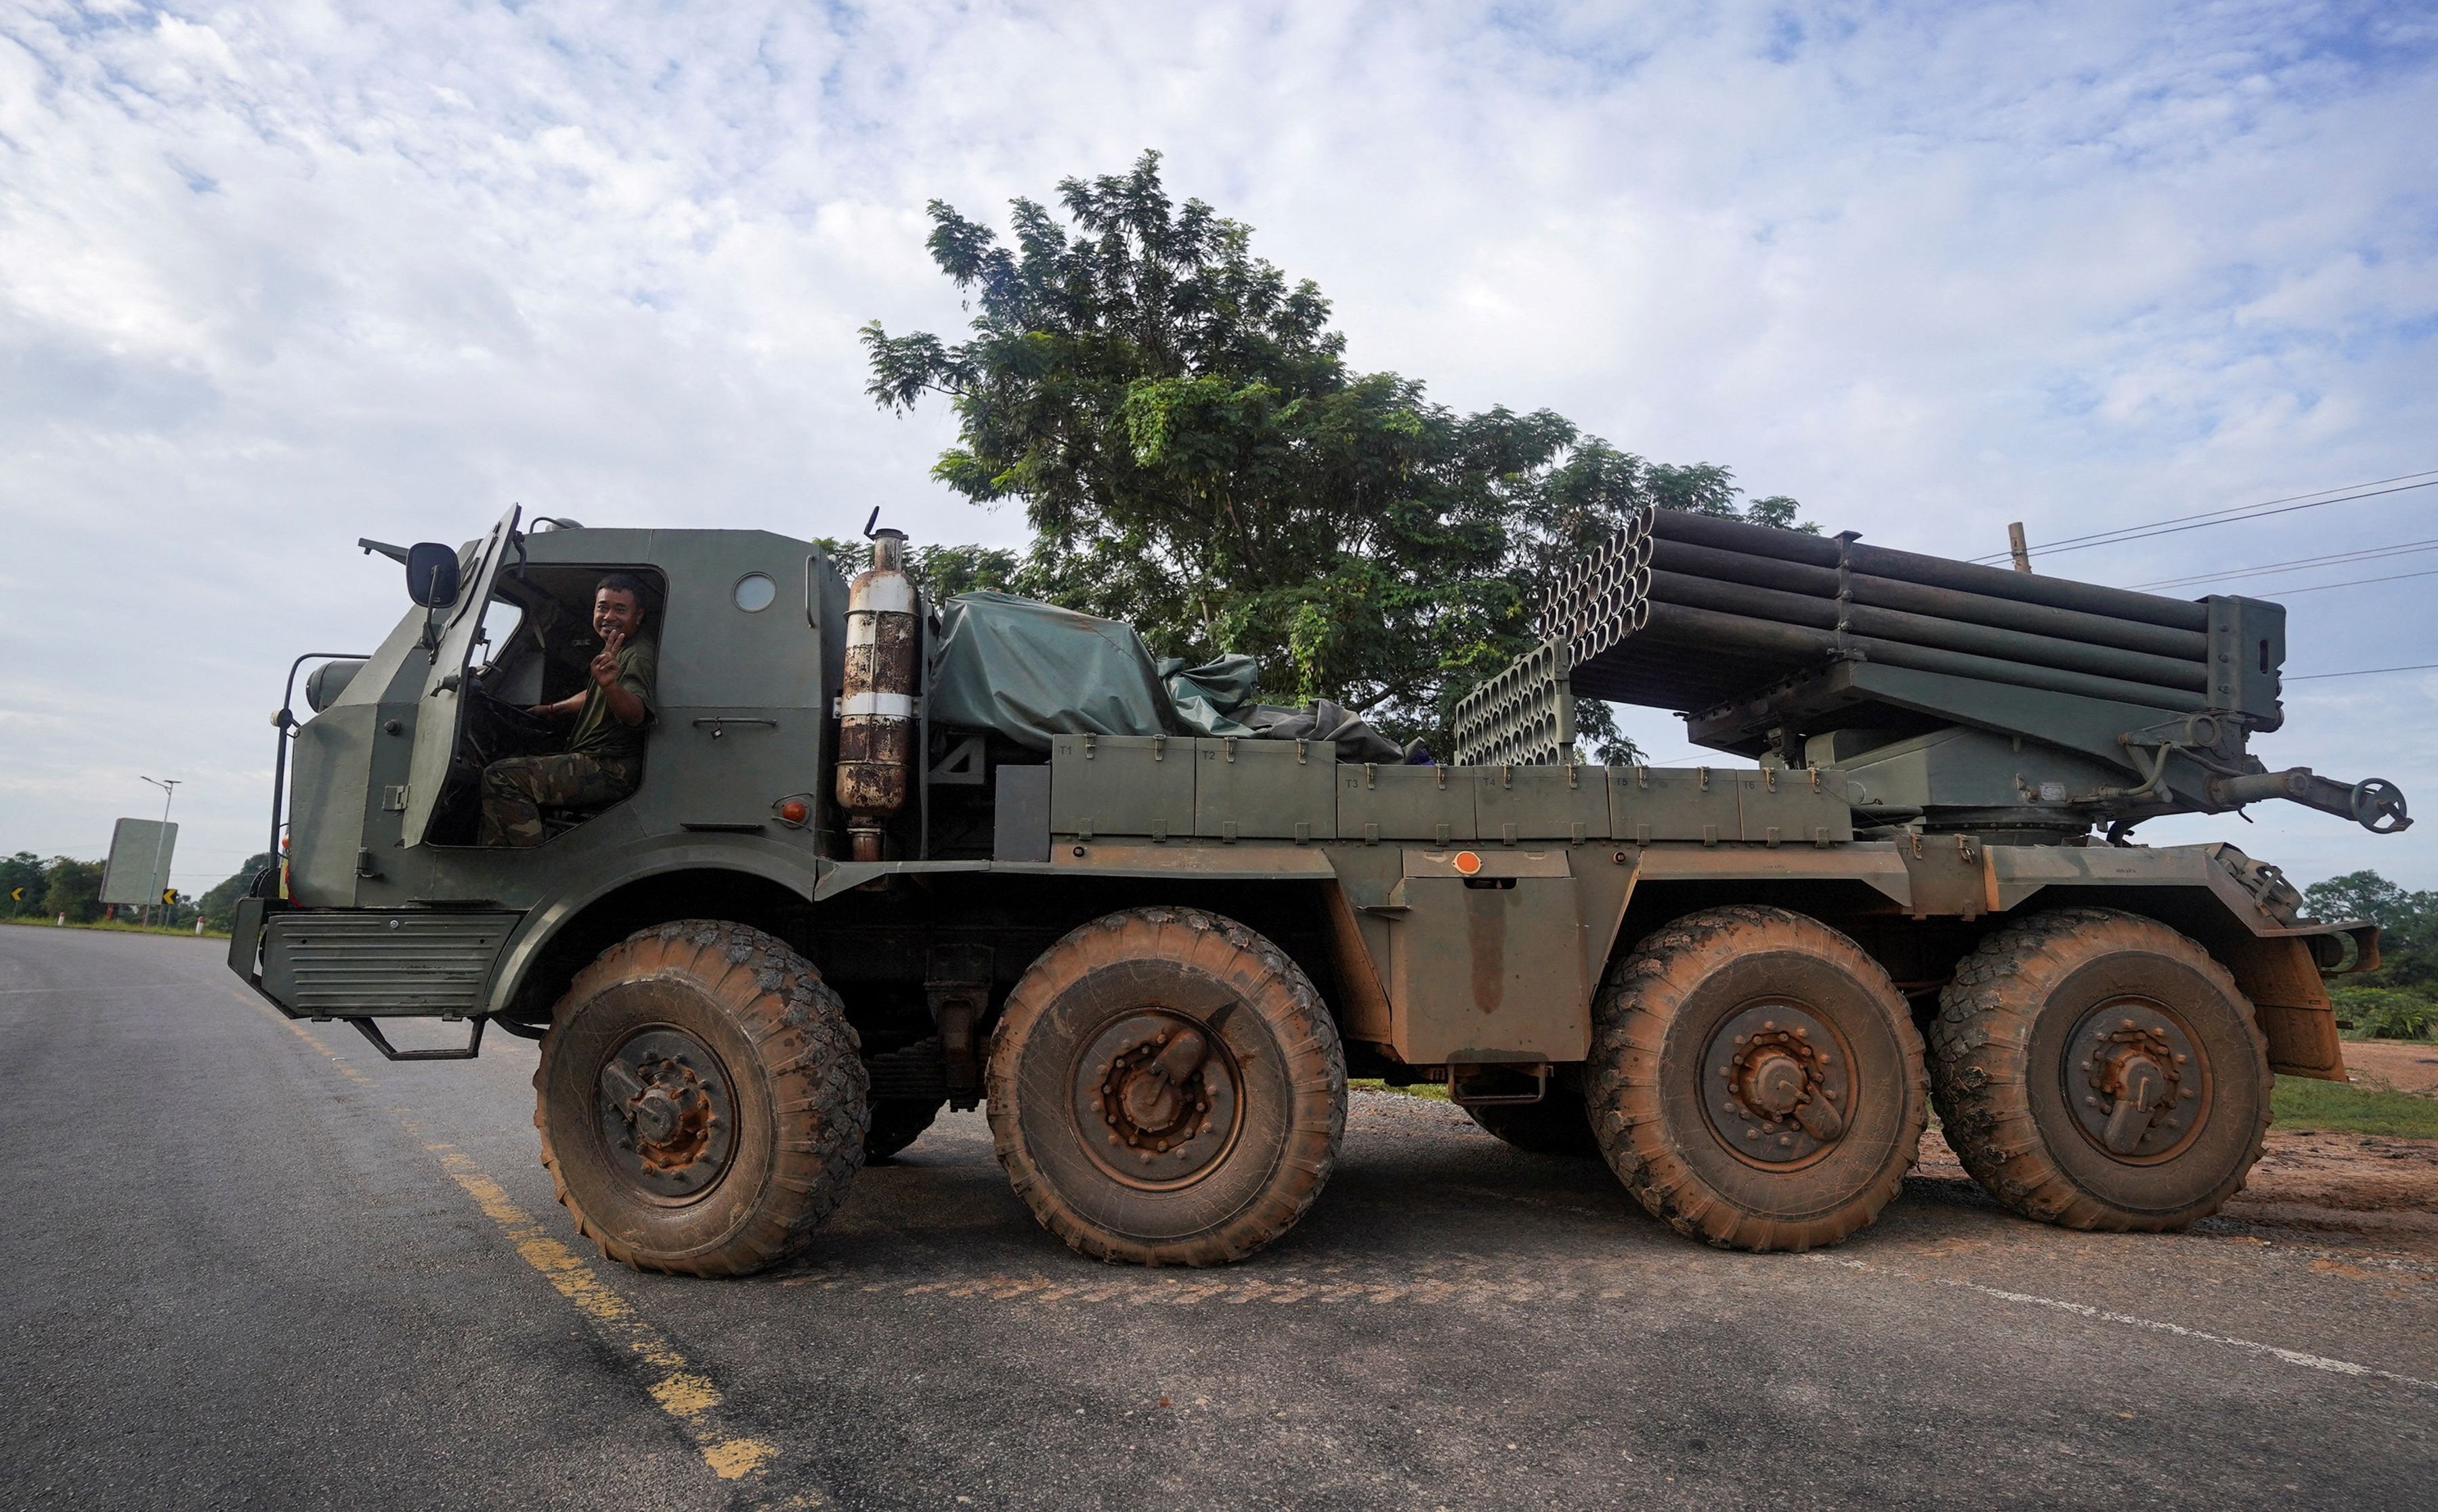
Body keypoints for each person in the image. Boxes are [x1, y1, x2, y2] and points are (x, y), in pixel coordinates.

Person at [477, 574, 658, 846]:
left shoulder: (637, 655)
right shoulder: (621, 650)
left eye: (620, 609)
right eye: (603, 607)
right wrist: (553, 709)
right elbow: (596, 694)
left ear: (638, 615)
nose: (609, 616)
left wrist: (609, 685)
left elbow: (635, 714)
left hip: (610, 767)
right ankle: (494, 863)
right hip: (601, 760)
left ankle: (529, 866)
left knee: (501, 776)